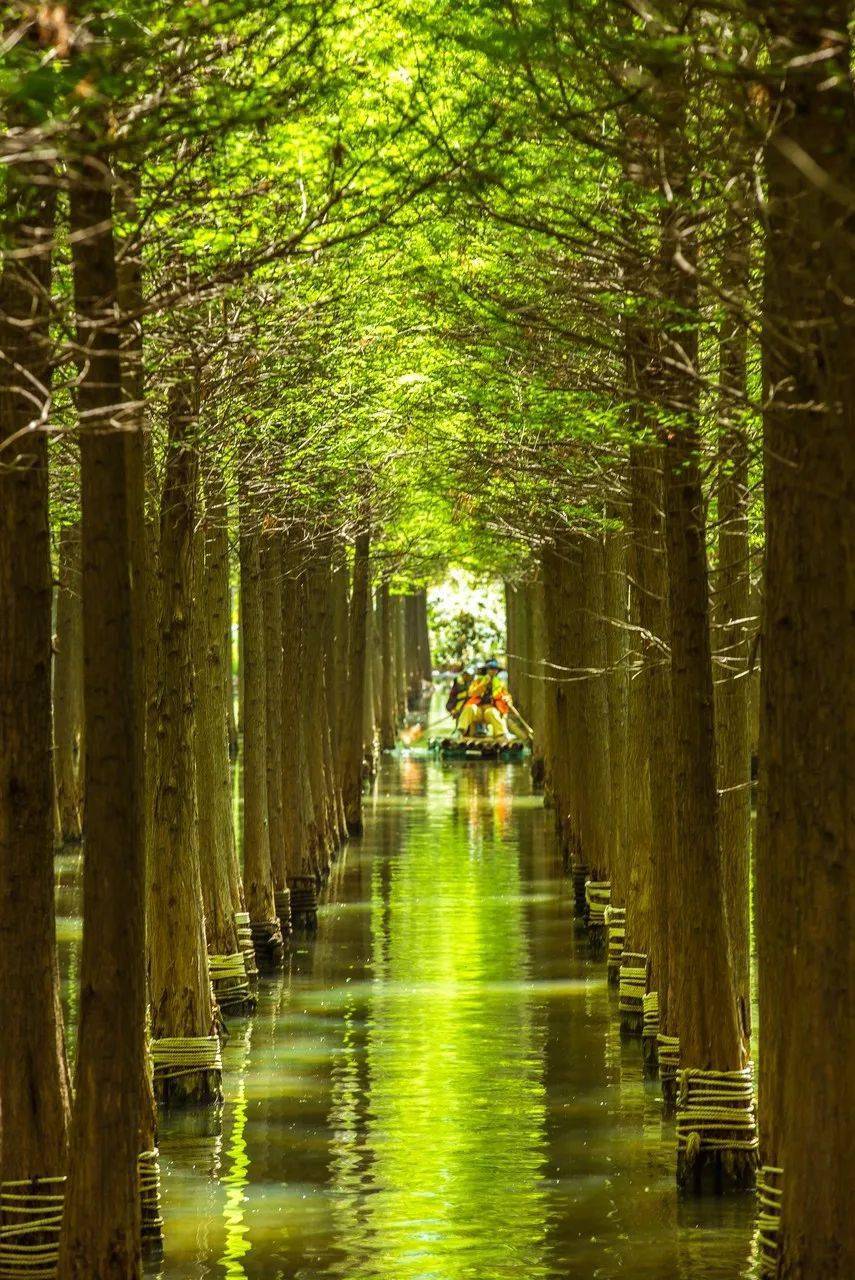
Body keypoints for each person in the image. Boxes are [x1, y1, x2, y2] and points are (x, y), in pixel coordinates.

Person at [458, 658, 513, 740]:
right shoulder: (478, 681)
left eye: (495, 669)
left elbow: (507, 696)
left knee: (492, 712)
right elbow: (471, 693)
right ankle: (460, 731)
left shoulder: (500, 683)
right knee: (470, 708)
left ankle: (501, 735)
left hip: (490, 709)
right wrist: (483, 684)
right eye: (490, 669)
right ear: (486, 670)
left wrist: (508, 699)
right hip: (478, 710)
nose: (493, 671)